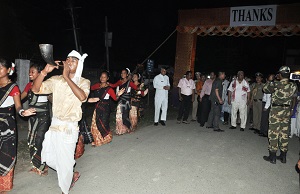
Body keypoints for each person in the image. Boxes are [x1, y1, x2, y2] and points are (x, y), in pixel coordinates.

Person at [31, 50, 90, 193]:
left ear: (79, 64)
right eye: (67, 59)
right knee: (48, 157)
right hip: (54, 126)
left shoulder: (83, 82)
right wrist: (45, 71)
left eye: (73, 60)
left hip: (69, 128)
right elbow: (35, 89)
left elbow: (82, 97)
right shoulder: (56, 80)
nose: (69, 62)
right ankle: (69, 172)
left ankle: (66, 186)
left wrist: (67, 77)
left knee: (65, 163)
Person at [0, 58, 36, 193]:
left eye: (1, 68)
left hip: (7, 125)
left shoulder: (13, 88)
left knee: (5, 153)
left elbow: (18, 106)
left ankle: (4, 185)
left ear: (9, 70)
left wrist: (23, 112)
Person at [20, 63, 51, 176]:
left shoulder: (46, 85)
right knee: (32, 141)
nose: (30, 73)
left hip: (43, 117)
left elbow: (52, 99)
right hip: (32, 117)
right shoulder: (29, 85)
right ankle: (36, 165)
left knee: (40, 141)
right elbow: (19, 98)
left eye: (32, 71)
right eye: (29, 71)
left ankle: (44, 166)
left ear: (39, 73)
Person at [263, 66, 297, 164]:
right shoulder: (293, 85)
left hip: (276, 111)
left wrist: (271, 80)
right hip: (286, 111)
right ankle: (283, 156)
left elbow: (265, 89)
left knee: (274, 133)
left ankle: (272, 156)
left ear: (280, 74)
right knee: (284, 133)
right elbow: (293, 97)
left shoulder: (275, 84)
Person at [88, 71, 125, 146]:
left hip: (105, 109)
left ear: (107, 78)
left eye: (104, 77)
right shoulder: (97, 85)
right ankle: (97, 139)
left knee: (103, 124)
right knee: (96, 124)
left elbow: (115, 99)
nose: (102, 78)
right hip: (97, 107)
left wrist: (118, 95)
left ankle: (106, 138)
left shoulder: (109, 89)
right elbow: (89, 88)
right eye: (101, 76)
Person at [109, 68, 140, 134]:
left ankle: (129, 128)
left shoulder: (130, 83)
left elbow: (136, 88)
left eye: (124, 73)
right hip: (120, 101)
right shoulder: (119, 82)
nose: (122, 74)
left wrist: (142, 87)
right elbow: (113, 85)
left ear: (127, 74)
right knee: (119, 115)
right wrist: (107, 83)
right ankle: (121, 130)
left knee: (124, 117)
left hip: (126, 102)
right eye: (122, 73)